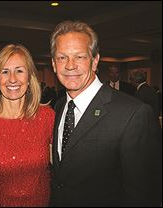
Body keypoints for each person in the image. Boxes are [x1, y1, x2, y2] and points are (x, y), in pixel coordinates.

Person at [50, 20, 162, 206]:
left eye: (79, 57)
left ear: (95, 61)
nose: (70, 65)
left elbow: (144, 194)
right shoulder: (60, 106)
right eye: (62, 57)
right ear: (54, 64)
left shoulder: (134, 114)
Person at [0, 44, 55, 207]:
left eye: (19, 70)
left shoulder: (47, 118)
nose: (12, 79)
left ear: (30, 78)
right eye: (5, 71)